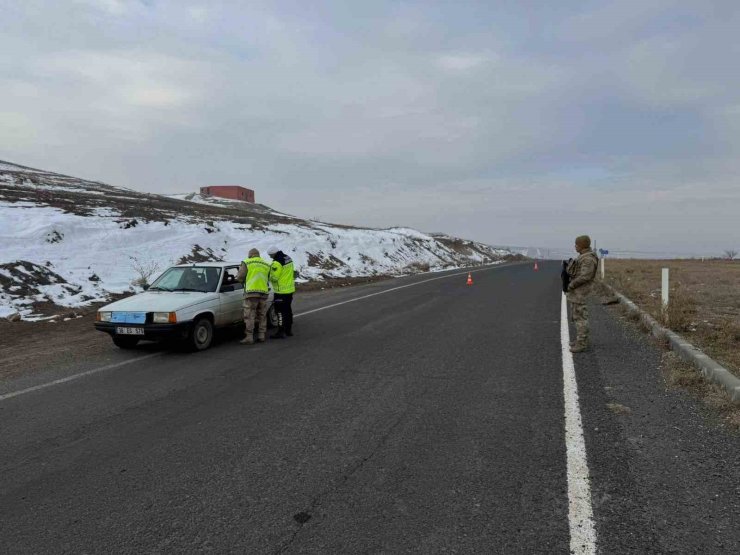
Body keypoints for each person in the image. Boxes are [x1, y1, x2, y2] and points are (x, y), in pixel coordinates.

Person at [566, 235, 599, 353]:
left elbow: (586, 276)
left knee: (580, 318)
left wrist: (572, 284)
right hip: (578, 292)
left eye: (577, 244)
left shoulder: (588, 259)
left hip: (581, 292)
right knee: (577, 316)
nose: (575, 246)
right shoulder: (584, 257)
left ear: (582, 245)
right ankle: (580, 339)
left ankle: (582, 343)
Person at [236, 248, 271, 344]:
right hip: (263, 292)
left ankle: (249, 337)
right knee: (262, 314)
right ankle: (261, 335)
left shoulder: (247, 262)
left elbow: (240, 277)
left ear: (250, 255)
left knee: (250, 315)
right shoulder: (266, 264)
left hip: (251, 293)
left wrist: (242, 281)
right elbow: (269, 277)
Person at [267, 245, 296, 338]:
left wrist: (269, 275)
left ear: (273, 254)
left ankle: (280, 332)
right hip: (289, 289)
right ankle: (288, 330)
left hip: (281, 292)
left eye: (270, 255)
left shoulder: (276, 263)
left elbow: (274, 278)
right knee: (288, 310)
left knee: (279, 312)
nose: (270, 257)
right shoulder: (288, 258)